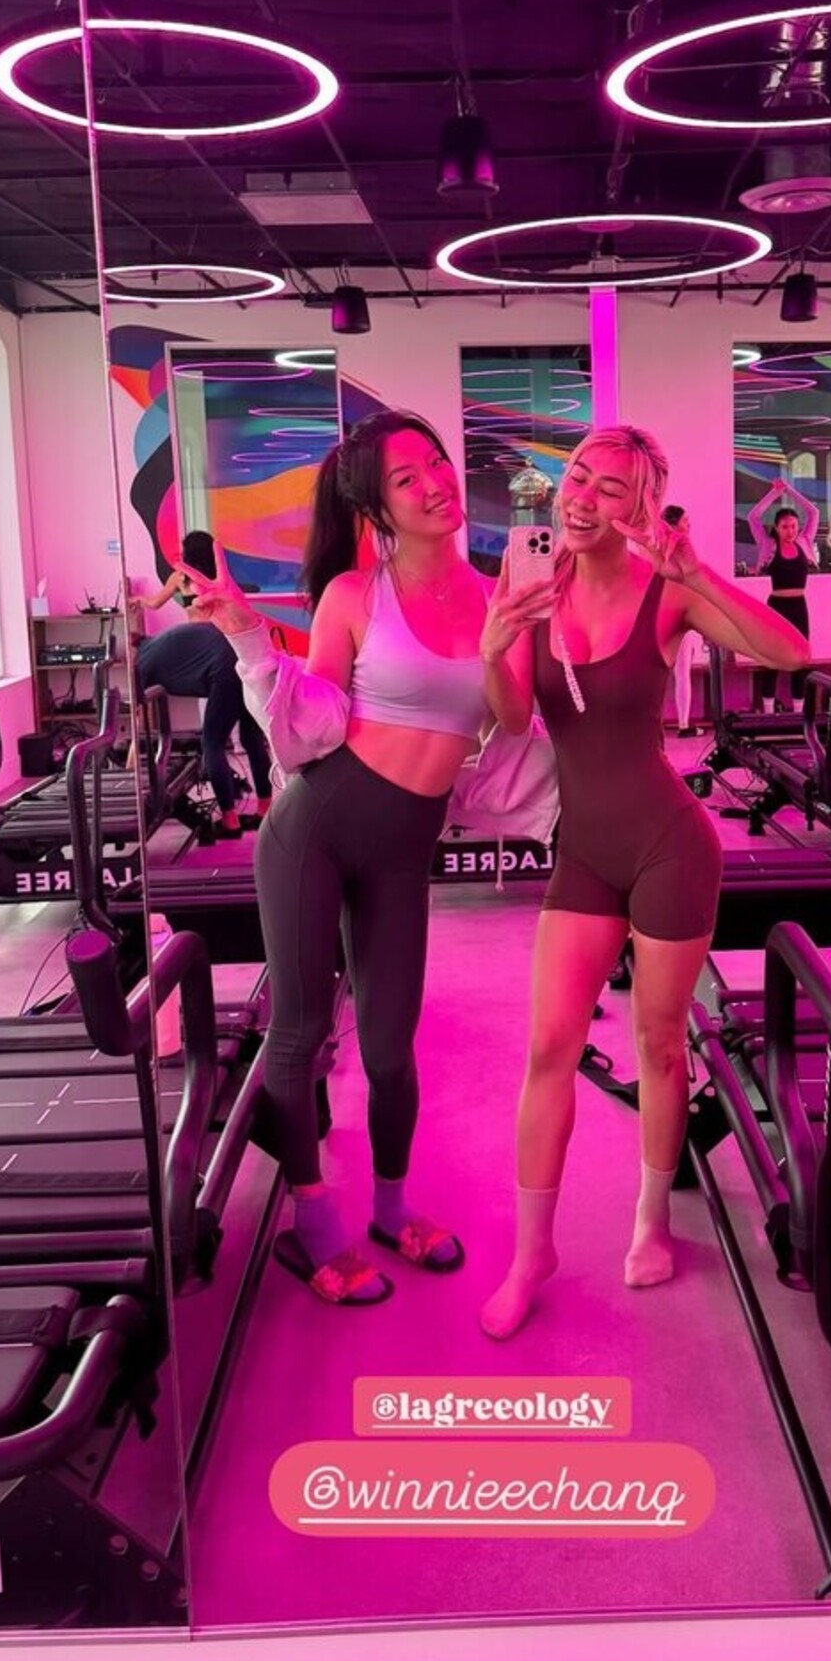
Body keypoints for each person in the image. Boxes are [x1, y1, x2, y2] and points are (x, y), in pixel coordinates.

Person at [181, 410, 552, 1308]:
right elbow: (308, 725)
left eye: (437, 463)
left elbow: (511, 716)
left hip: (404, 851)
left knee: (389, 1047)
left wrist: (499, 645)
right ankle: (312, 1226)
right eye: (405, 478)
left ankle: (391, 1209)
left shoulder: (500, 594)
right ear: (377, 507)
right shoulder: (353, 594)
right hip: (315, 828)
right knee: (301, 1030)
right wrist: (247, 635)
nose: (435, 483)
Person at [477, 424, 810, 1339]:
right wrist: (495, 642)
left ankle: (652, 1219)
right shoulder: (532, 581)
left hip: (670, 847)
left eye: (610, 489)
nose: (582, 497)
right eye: (578, 477)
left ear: (642, 508)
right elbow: (513, 717)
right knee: (550, 1046)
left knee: (660, 1045)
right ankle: (531, 1252)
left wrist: (699, 574)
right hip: (584, 851)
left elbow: (791, 655)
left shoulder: (668, 591)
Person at [132, 530, 273, 837]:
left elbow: (156, 604)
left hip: (209, 657)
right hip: (224, 650)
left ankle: (231, 820)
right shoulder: (205, 578)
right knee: (249, 738)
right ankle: (264, 808)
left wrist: (140, 602)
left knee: (213, 742)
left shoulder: (191, 579)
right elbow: (156, 603)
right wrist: (139, 600)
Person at [745, 478, 819, 712]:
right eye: (785, 526)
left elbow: (813, 512)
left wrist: (790, 491)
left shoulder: (804, 541)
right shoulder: (768, 545)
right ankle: (768, 711)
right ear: (776, 528)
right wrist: (775, 494)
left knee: (800, 658)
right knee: (772, 658)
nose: (790, 531)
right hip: (777, 605)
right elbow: (753, 517)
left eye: (794, 526)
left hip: (799, 607)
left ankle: (798, 711)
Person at [663, 506, 700, 736]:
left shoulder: (660, 546)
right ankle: (684, 724)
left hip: (667, 612)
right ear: (674, 524)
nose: (689, 525)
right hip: (678, 612)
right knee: (682, 670)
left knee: (667, 672)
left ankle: (675, 724)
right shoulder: (678, 547)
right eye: (685, 521)